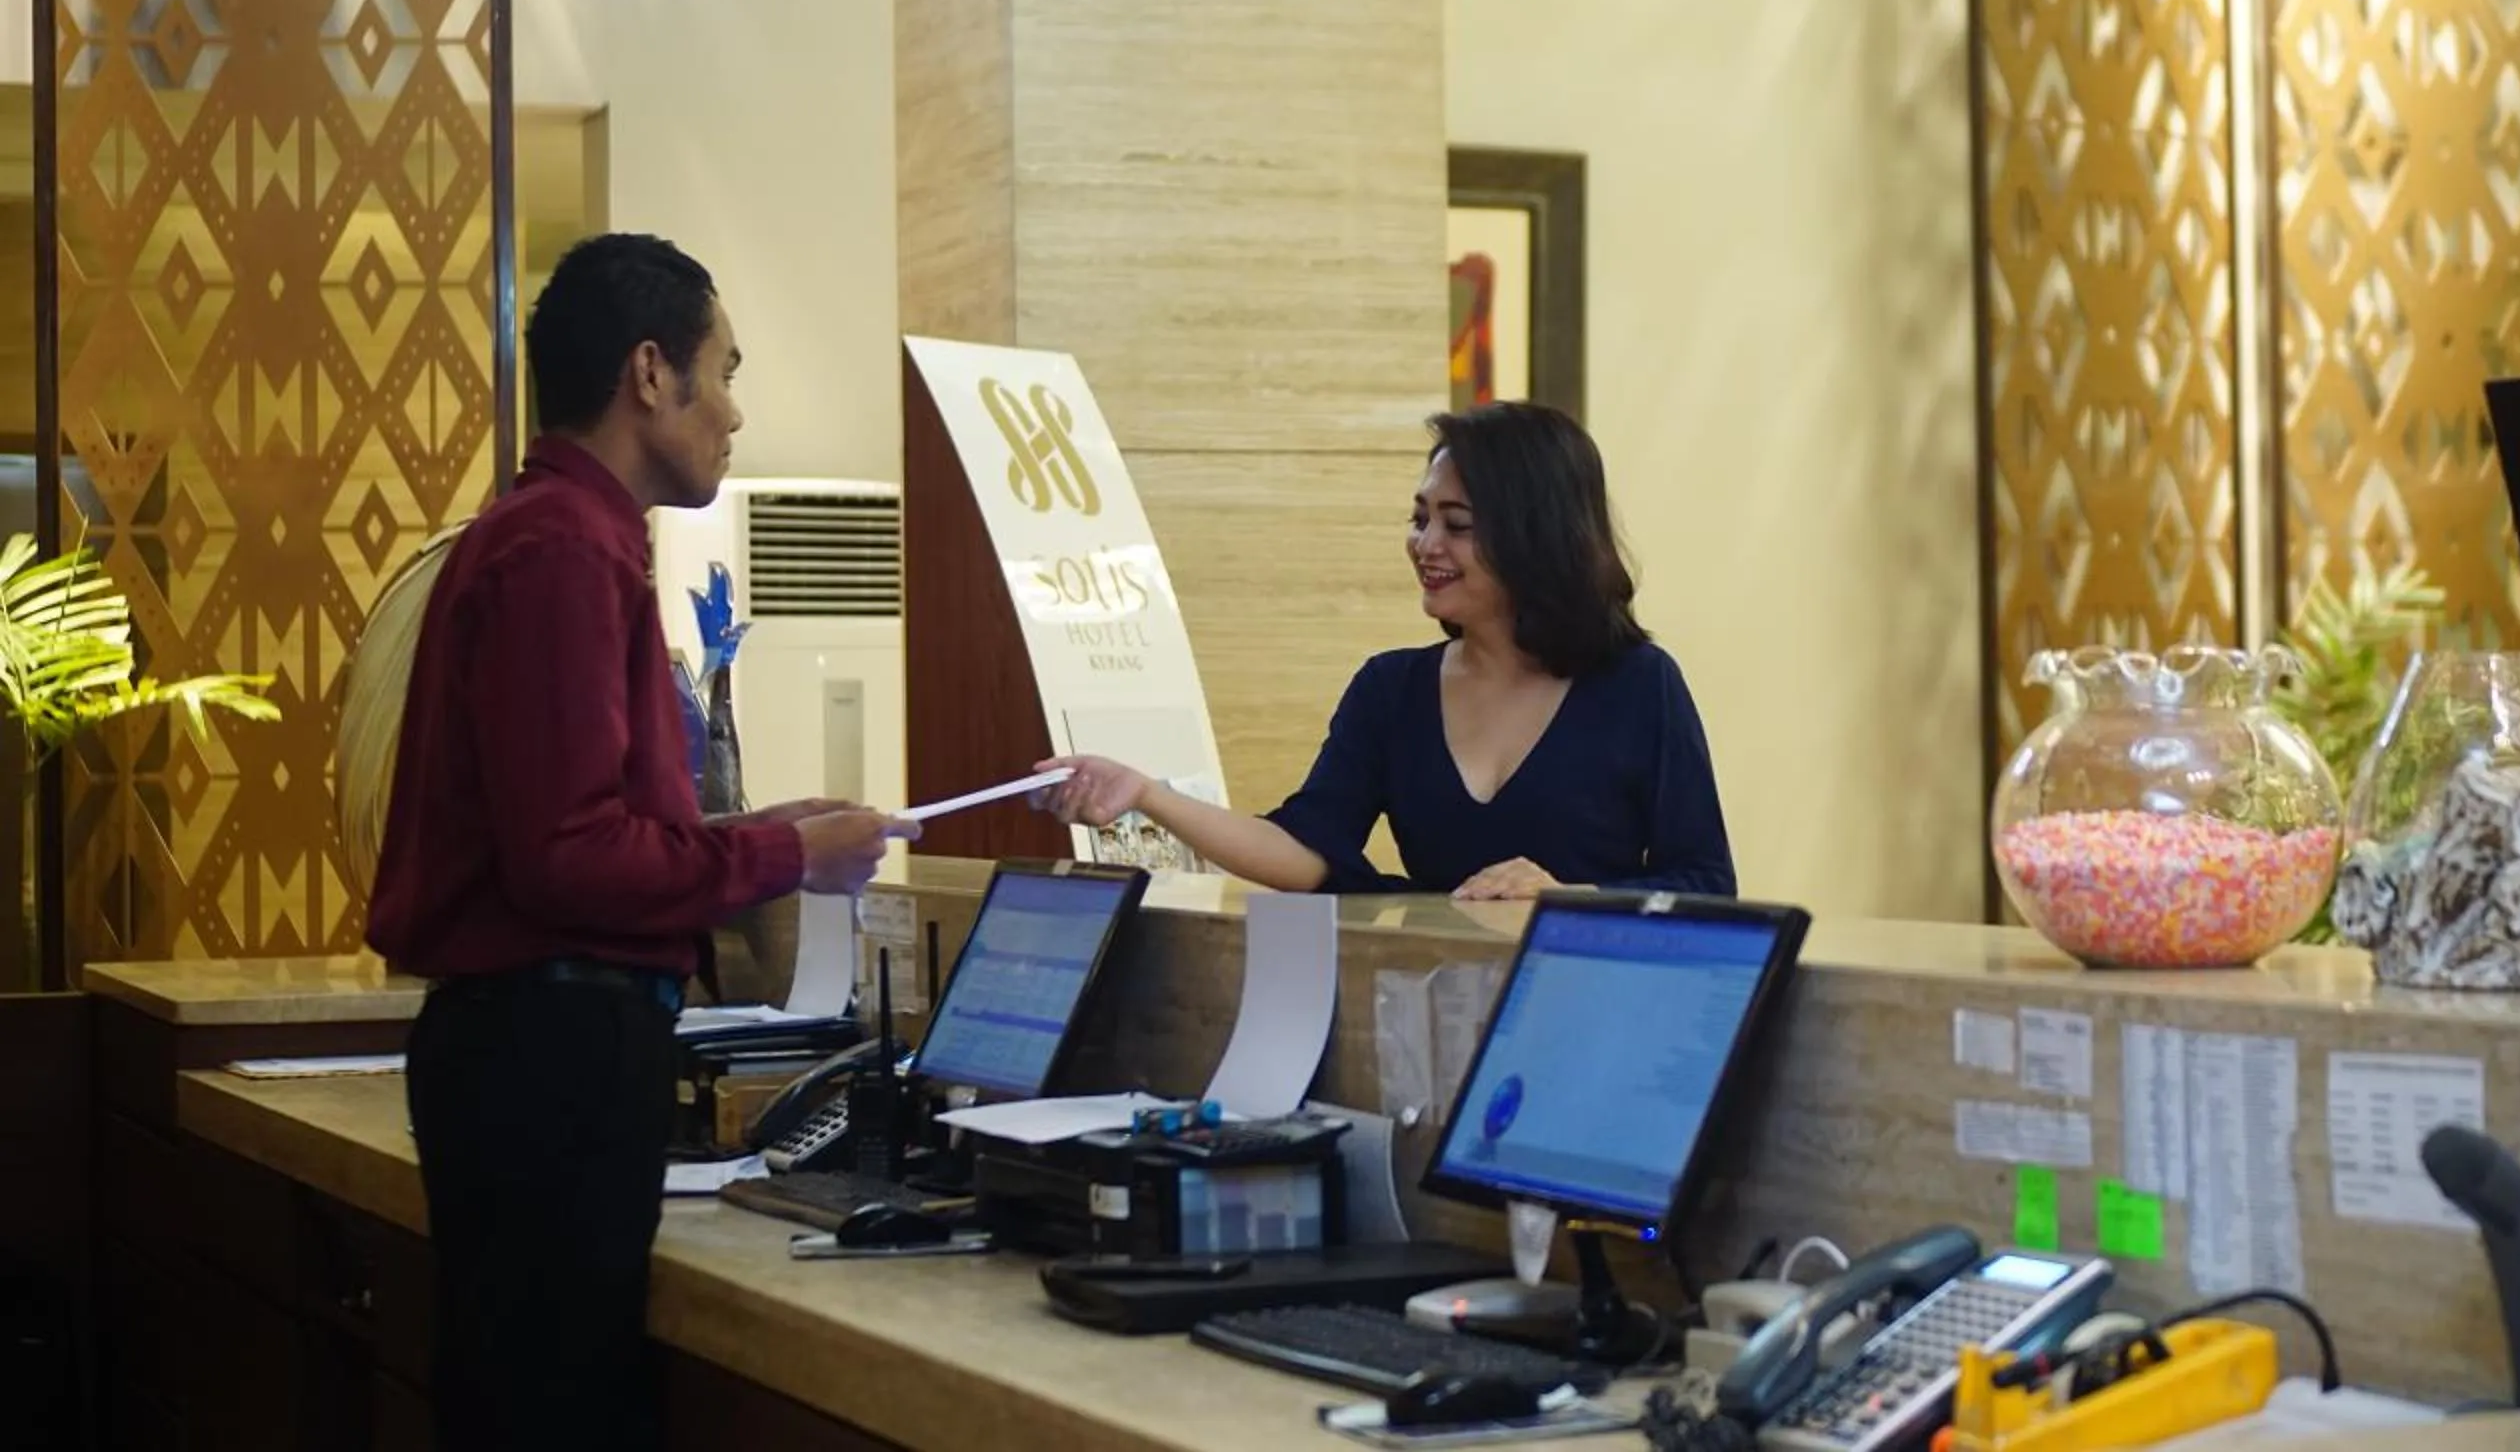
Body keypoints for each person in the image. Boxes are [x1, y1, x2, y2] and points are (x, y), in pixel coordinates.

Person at [365, 233, 916, 1452]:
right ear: (651, 373)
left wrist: (738, 830)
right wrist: (790, 862)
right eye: (724, 369)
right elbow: (564, 858)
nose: (735, 411)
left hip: (534, 1050)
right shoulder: (563, 544)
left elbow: (579, 826)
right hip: (547, 1052)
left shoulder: (554, 531)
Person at [1042, 402, 1734, 899]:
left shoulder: (1639, 685)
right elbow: (1308, 850)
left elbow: (1705, 884)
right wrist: (1148, 794)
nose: (1425, 546)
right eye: (1419, 518)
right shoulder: (1390, 689)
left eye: (1455, 525)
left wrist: (1570, 898)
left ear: (1534, 536)